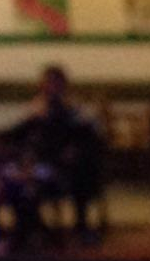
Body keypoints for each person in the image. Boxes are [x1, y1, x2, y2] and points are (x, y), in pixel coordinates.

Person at [7, 65, 105, 240]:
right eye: (47, 83)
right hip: (41, 160)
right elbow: (19, 133)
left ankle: (80, 224)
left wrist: (72, 150)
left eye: (55, 83)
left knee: (82, 169)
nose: (51, 87)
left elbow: (90, 135)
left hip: (68, 164)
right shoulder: (36, 108)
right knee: (16, 176)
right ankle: (32, 226)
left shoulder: (74, 108)